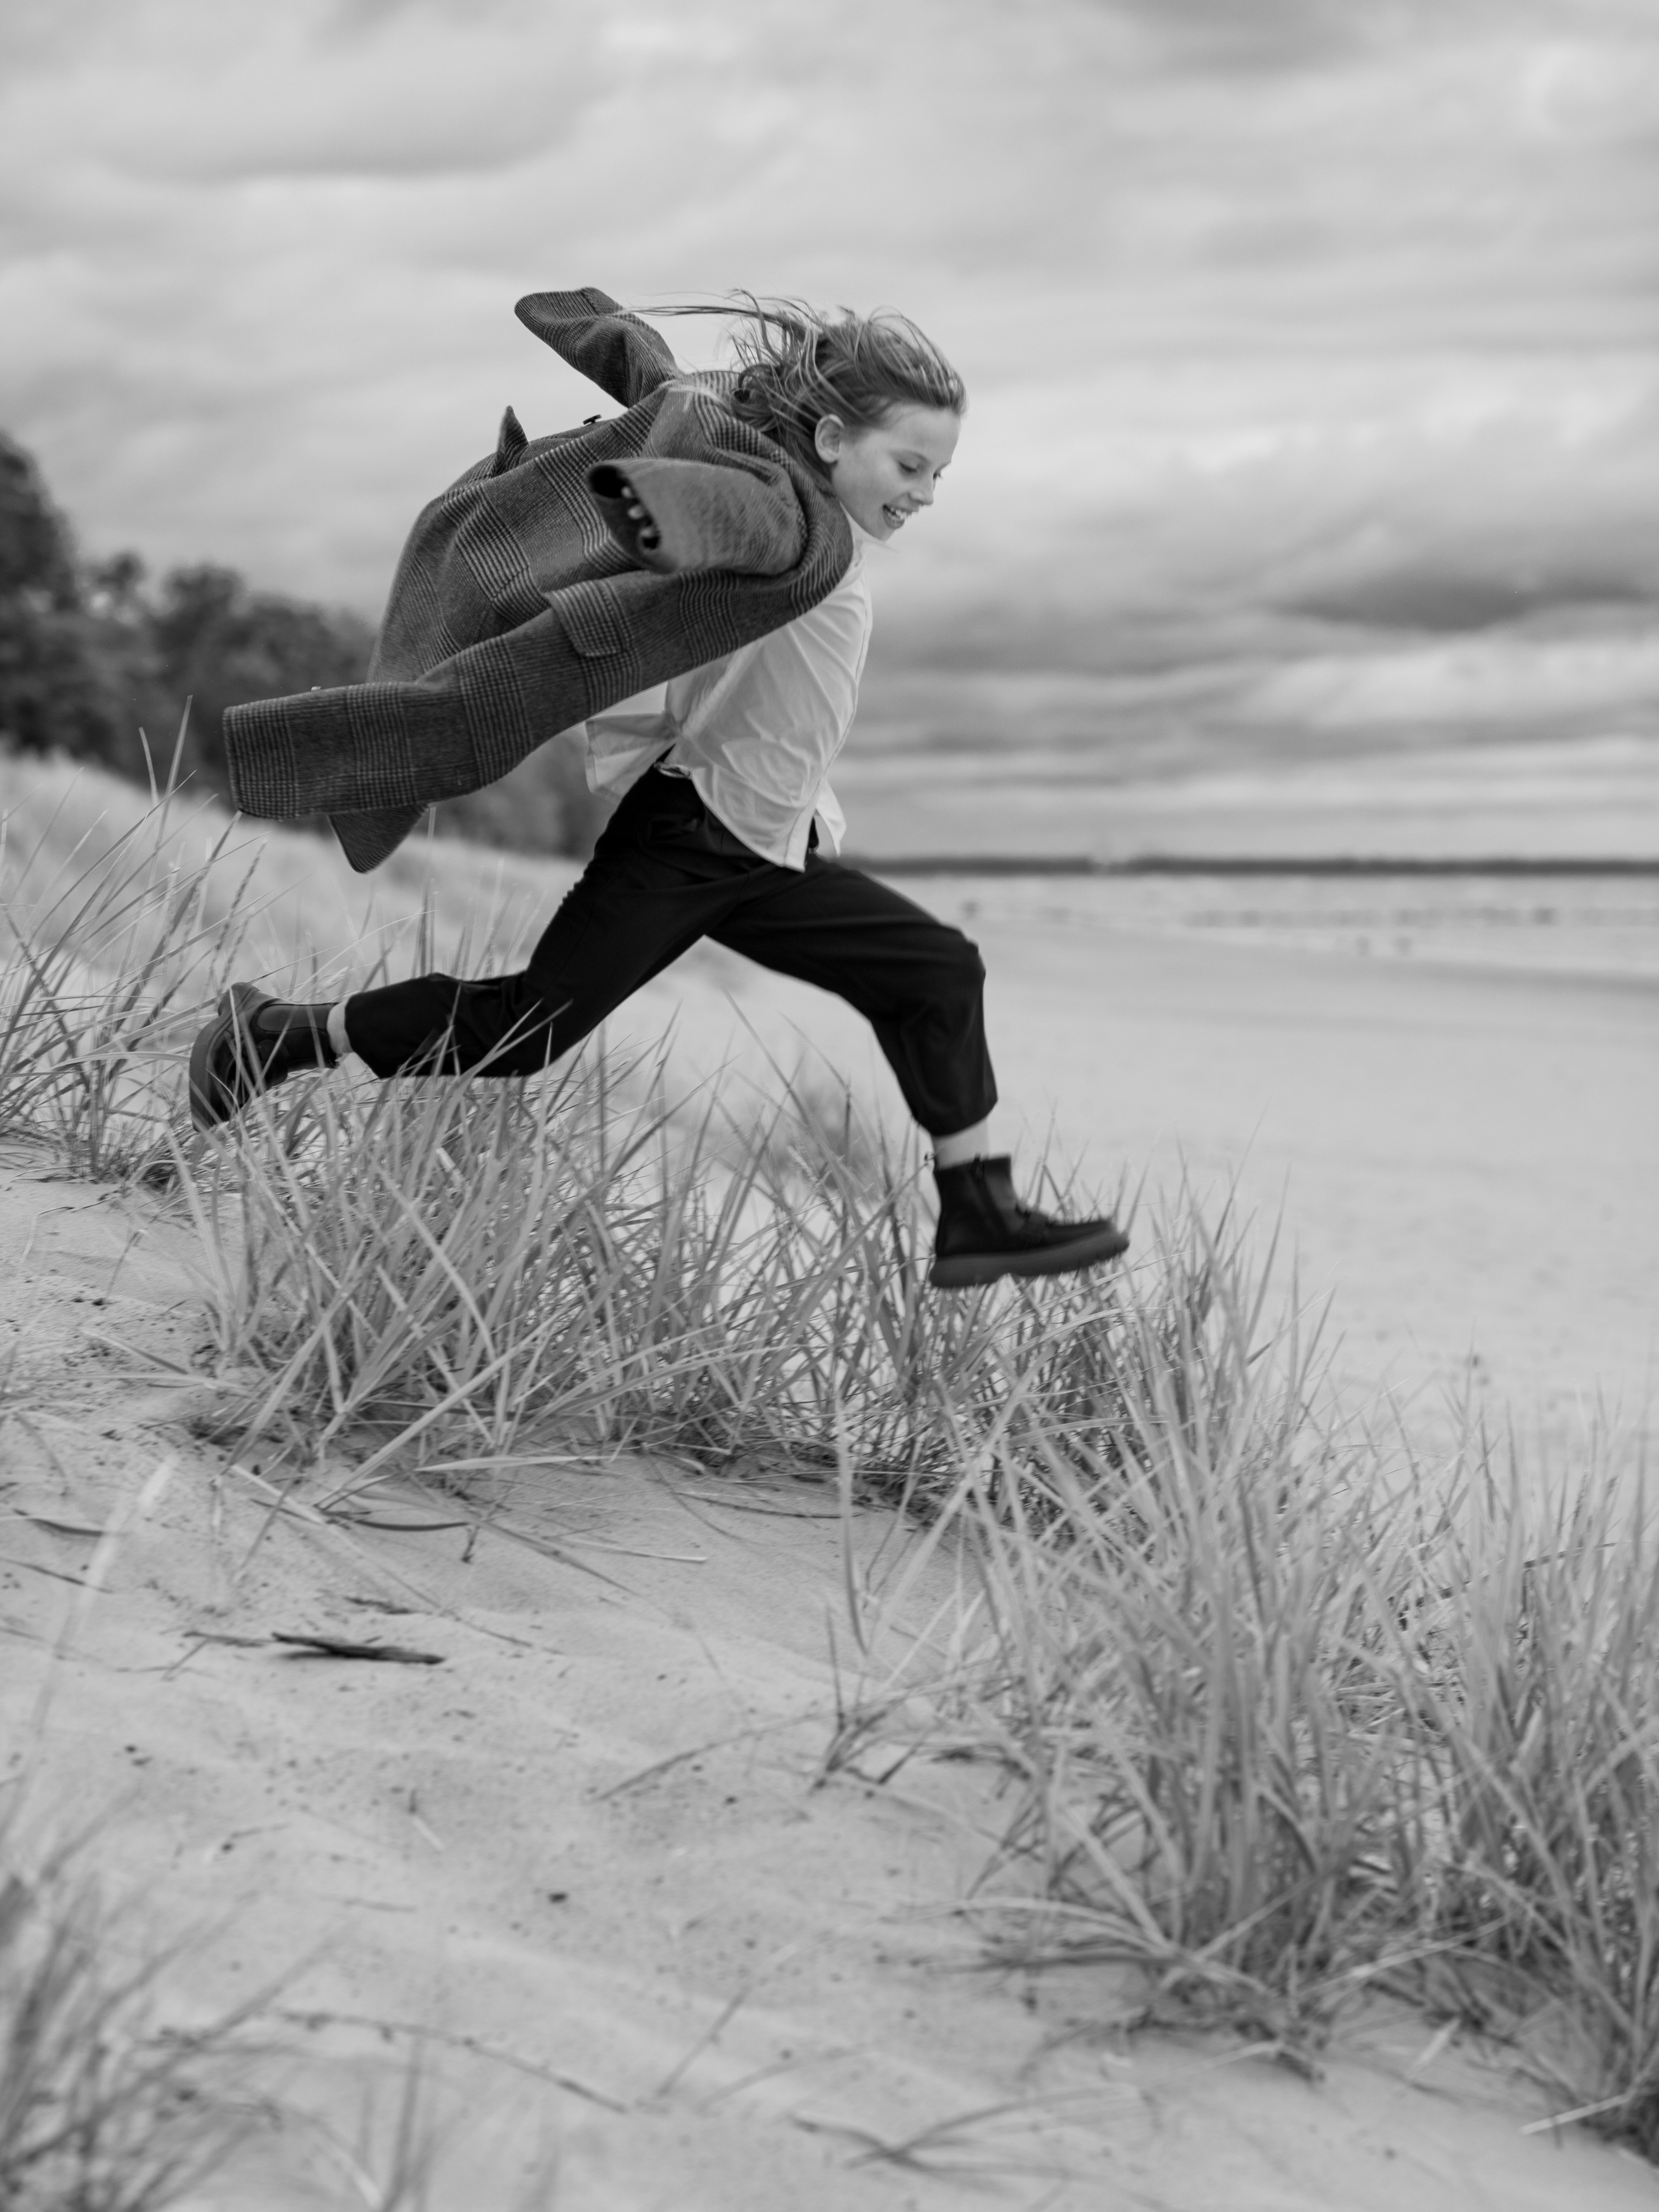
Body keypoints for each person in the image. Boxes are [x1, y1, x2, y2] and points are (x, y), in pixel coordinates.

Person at [189, 293, 1127, 1288]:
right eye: (909, 466)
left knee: (937, 973)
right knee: (526, 1030)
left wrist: (625, 355)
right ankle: (274, 1036)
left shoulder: (817, 523)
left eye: (940, 473)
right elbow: (733, 515)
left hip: (770, 852)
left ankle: (978, 1211)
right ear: (831, 439)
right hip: (690, 841)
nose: (926, 493)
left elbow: (693, 422)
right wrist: (659, 507)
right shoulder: (800, 528)